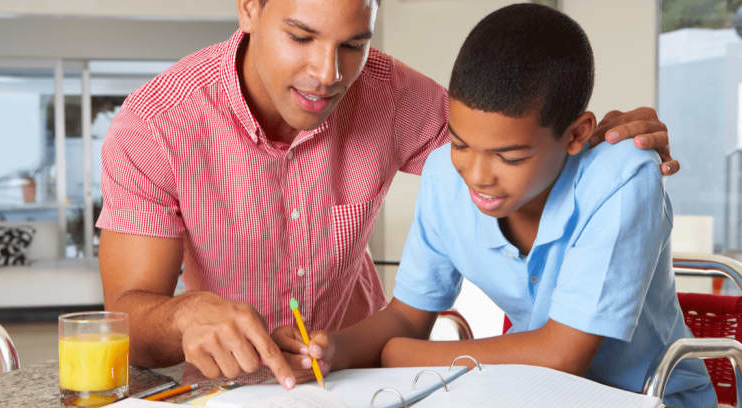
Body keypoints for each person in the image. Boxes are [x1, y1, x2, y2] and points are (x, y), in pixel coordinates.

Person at [98, 0, 681, 390]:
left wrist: (611, 146)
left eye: (353, 44)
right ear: (249, 6)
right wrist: (184, 315)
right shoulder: (155, 126)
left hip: (360, 383)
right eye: (301, 37)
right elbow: (126, 323)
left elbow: (510, 127)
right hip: (235, 389)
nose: (329, 74)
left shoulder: (396, 98)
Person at [272, 4, 715, 406]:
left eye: (510, 157)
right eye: (461, 143)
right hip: (524, 394)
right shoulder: (445, 175)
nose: (478, 175)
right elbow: (407, 317)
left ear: (577, 135)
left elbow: (562, 356)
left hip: (648, 398)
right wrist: (334, 350)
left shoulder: (621, 175)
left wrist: (404, 355)